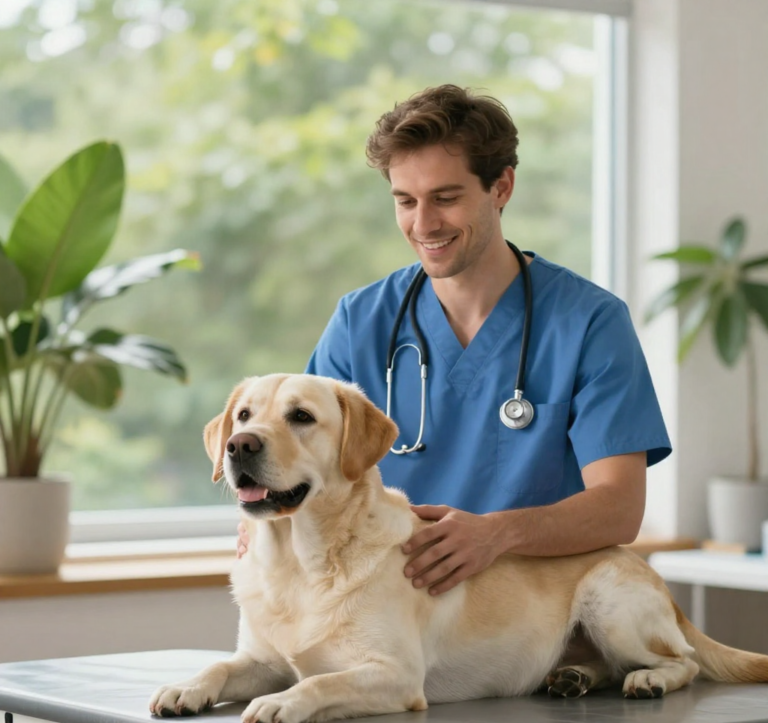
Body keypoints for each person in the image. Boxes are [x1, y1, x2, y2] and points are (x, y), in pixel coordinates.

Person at [236, 83, 671, 597]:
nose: (423, 224)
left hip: (533, 617)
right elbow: (303, 465)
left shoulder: (589, 322)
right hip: (389, 606)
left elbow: (619, 510)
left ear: (501, 187)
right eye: (405, 201)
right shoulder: (361, 321)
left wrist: (496, 534)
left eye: (445, 198)